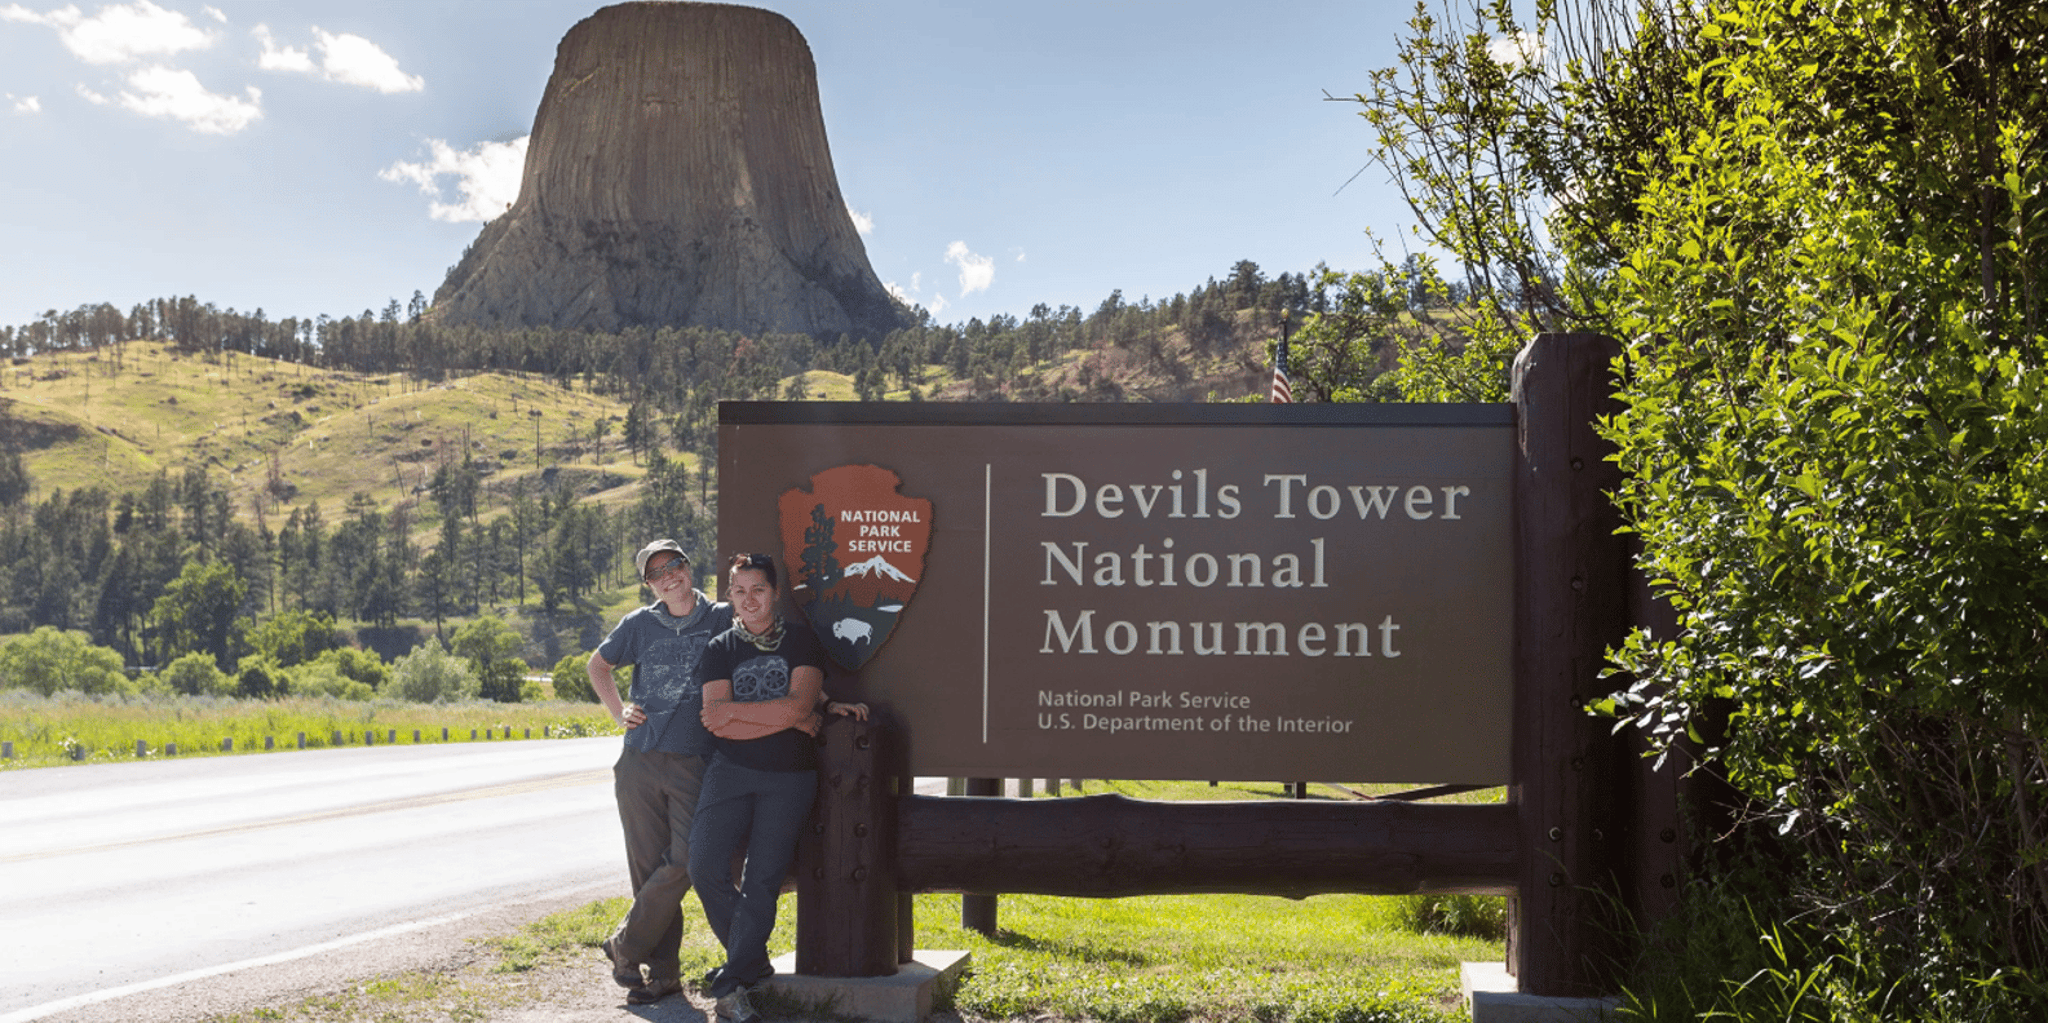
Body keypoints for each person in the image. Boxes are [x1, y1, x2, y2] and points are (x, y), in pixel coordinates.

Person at [691, 553, 867, 1023]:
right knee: (704, 867)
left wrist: (755, 712)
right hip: (727, 772)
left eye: (759, 590)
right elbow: (714, 721)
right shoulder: (720, 648)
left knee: (762, 879)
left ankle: (732, 983)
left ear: (774, 593)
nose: (750, 600)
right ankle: (748, 960)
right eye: (740, 591)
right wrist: (789, 715)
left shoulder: (803, 642)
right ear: (730, 596)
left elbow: (797, 705)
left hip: (789, 777)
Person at [584, 539, 751, 1005]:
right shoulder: (640, 624)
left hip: (694, 759)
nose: (668, 577)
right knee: (646, 864)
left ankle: (624, 944)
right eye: (656, 574)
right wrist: (619, 713)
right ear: (649, 584)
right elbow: (598, 666)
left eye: (673, 565)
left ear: (686, 566)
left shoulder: (720, 616)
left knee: (684, 860)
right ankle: (661, 975)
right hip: (638, 759)